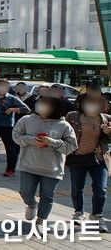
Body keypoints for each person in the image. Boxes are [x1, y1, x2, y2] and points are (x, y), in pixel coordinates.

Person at [13, 96, 78, 230]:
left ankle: (40, 222)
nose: (41, 106)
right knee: (26, 192)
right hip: (28, 165)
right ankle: (31, 205)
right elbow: (16, 136)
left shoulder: (64, 125)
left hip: (52, 168)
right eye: (40, 103)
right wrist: (31, 140)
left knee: (47, 196)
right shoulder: (26, 120)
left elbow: (71, 146)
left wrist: (52, 142)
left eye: (46, 104)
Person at [65, 93, 111, 233]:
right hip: (77, 158)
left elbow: (109, 141)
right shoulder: (72, 116)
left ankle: (97, 216)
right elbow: (64, 133)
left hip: (99, 159)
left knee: (101, 189)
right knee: (77, 188)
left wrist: (109, 132)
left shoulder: (107, 119)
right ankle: (78, 213)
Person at [0, 79, 29, 177]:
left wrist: (13, 109)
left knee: (10, 149)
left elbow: (26, 109)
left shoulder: (12, 98)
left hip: (7, 126)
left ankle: (10, 169)